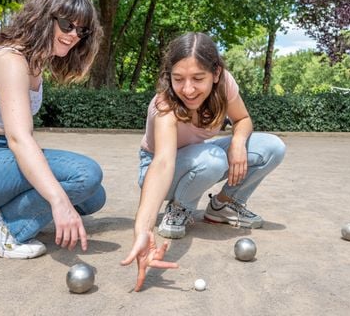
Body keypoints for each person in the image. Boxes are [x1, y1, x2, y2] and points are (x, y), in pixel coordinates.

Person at [0, 0, 105, 259]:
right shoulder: (11, 60)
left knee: (94, 195)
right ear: (45, 16)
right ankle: (3, 227)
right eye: (67, 24)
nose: (73, 35)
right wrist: (57, 200)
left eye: (81, 30)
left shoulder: (34, 62)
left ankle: (8, 210)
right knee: (84, 174)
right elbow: (19, 138)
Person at [121, 32, 285, 290]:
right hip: (159, 169)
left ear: (216, 73)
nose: (187, 89)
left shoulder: (225, 84)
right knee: (214, 159)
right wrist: (143, 230)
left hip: (201, 155)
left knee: (272, 147)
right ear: (169, 77)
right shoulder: (165, 104)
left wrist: (238, 142)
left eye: (198, 78)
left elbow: (242, 119)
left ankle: (224, 206)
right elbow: (163, 163)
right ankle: (179, 208)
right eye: (178, 79)